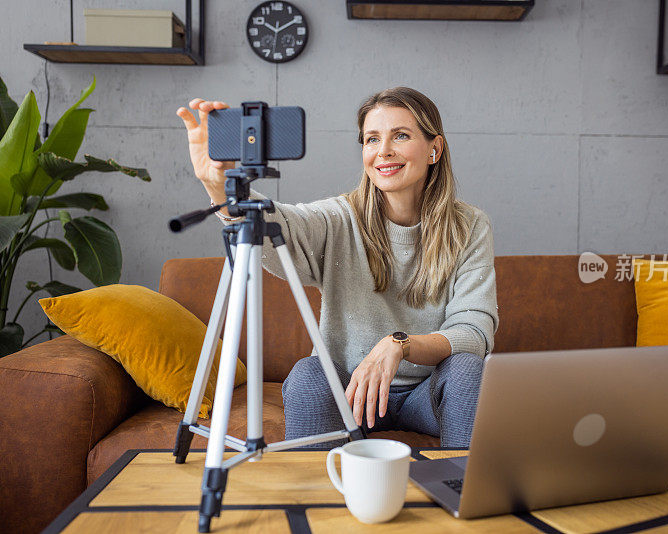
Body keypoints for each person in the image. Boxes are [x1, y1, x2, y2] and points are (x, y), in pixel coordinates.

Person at [176, 87, 499, 447]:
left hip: (427, 393)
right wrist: (219, 187)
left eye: (401, 136)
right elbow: (278, 227)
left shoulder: (469, 226)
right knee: (307, 376)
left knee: (469, 369)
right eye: (372, 139)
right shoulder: (339, 218)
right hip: (349, 396)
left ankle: (461, 493)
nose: (383, 151)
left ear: (434, 149)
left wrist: (398, 345)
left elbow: (473, 333)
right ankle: (314, 502)